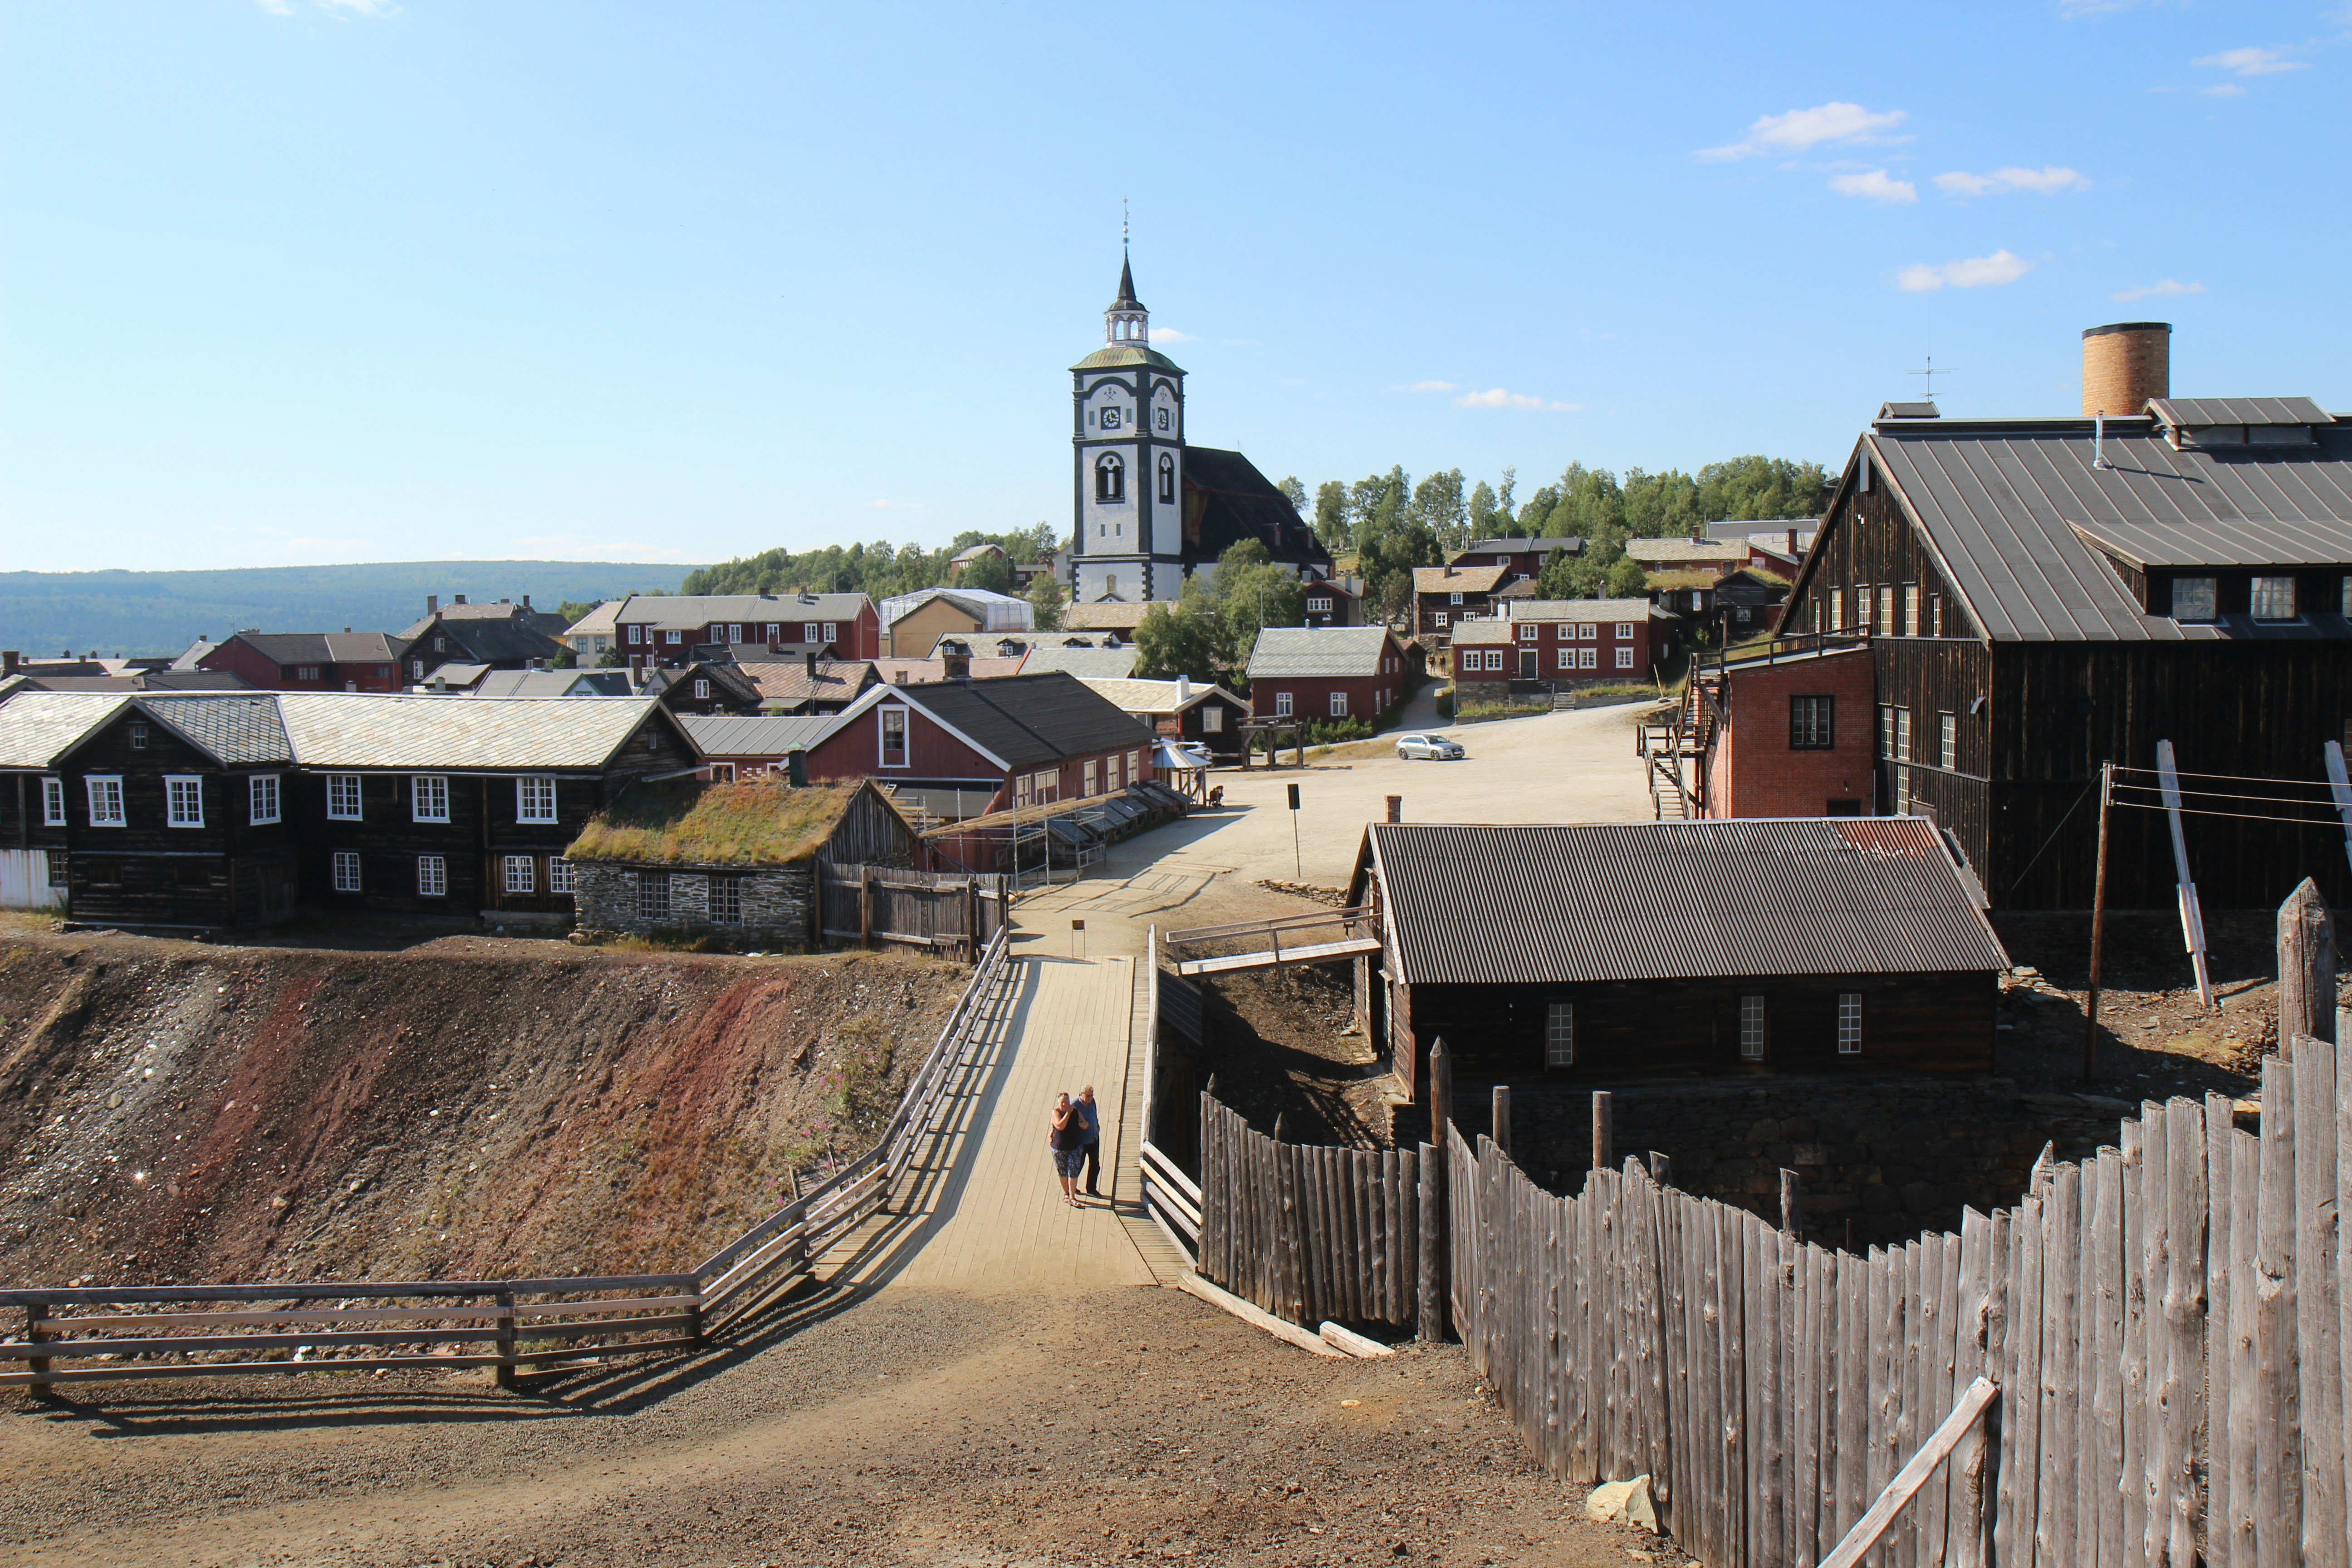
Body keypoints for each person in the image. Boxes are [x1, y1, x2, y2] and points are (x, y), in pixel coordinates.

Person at [1048, 1092, 1086, 1206]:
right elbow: (1060, 1126)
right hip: (1059, 1148)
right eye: (1062, 1103)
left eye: (1067, 1102)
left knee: (1073, 1171)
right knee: (1062, 1171)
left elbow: (1085, 1124)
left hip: (1074, 1146)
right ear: (1058, 1103)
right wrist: (1068, 1114)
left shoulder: (1075, 1111)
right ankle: (1067, 1193)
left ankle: (1072, 1197)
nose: (1065, 1105)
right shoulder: (1056, 1113)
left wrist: (1082, 1123)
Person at [1074, 1085, 1102, 1198]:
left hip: (1094, 1138)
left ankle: (1091, 1189)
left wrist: (1097, 1125)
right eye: (1088, 1096)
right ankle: (1071, 1187)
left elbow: (1094, 1115)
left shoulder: (1092, 1102)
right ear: (1081, 1095)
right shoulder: (1075, 1105)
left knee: (1095, 1165)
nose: (1090, 1098)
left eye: (1092, 1096)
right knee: (1079, 1165)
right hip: (1082, 1141)